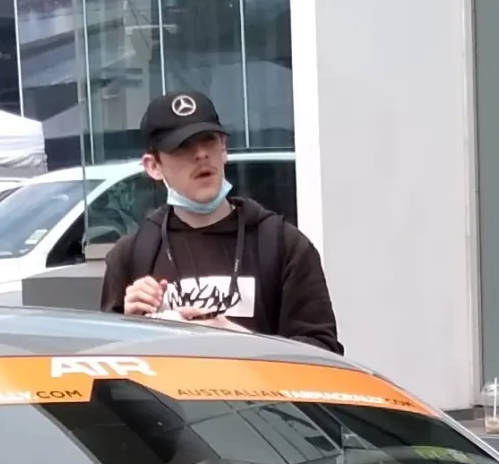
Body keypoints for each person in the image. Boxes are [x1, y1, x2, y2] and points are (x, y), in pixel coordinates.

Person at [99, 89, 341, 353]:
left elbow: (325, 355)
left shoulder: (283, 244)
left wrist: (238, 340)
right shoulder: (131, 255)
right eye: (183, 146)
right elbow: (107, 371)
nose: (201, 154)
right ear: (153, 166)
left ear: (224, 148)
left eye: (209, 140)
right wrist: (128, 325)